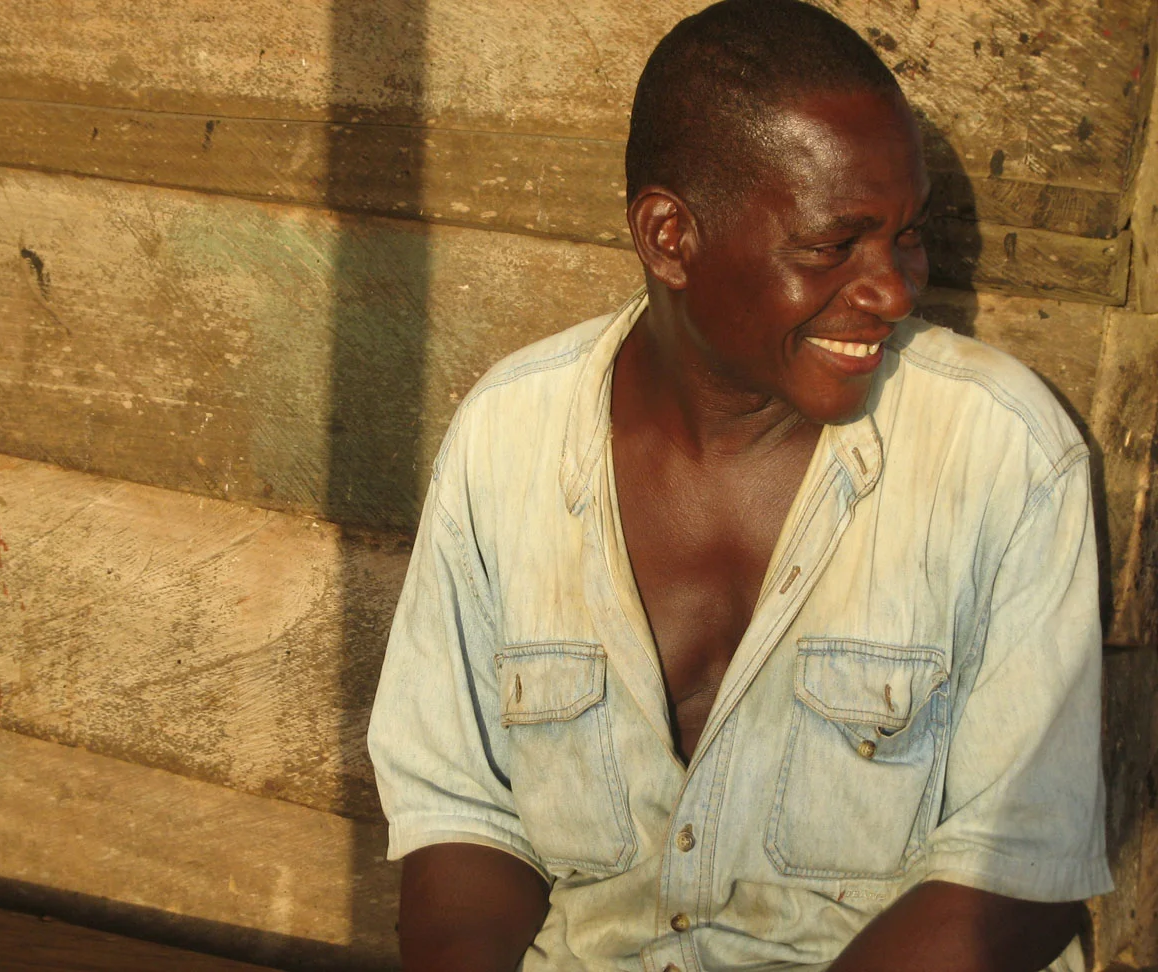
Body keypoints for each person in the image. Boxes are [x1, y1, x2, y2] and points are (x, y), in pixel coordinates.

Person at [367, 1, 1112, 969]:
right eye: (832, 246)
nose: (892, 290)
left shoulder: (1001, 451)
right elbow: (461, 819)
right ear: (669, 237)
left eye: (907, 235)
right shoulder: (508, 439)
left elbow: (1019, 875)